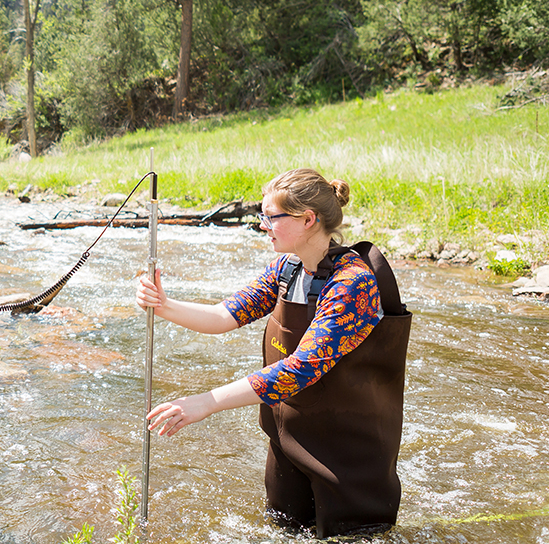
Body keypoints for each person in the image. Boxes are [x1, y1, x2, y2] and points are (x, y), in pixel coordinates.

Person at [137, 168, 410, 538]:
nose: (263, 225)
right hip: (288, 443)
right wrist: (164, 305)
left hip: (348, 460)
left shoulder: (352, 283)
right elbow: (223, 315)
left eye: (271, 217)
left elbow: (300, 369)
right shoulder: (287, 268)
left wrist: (206, 402)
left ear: (308, 219)